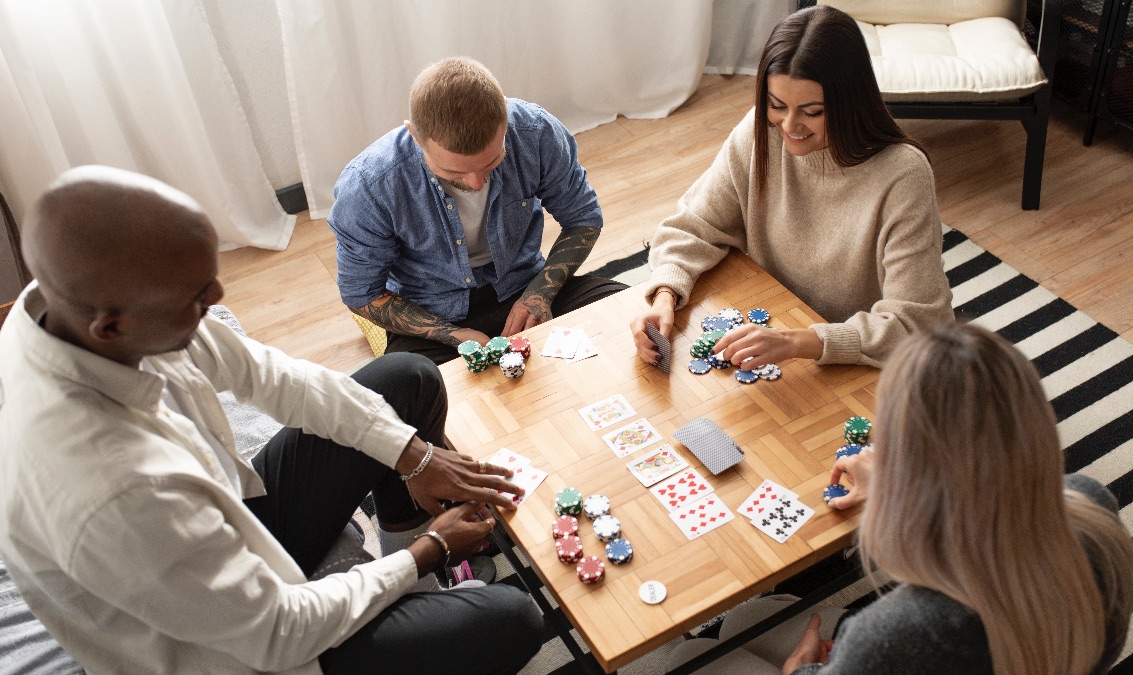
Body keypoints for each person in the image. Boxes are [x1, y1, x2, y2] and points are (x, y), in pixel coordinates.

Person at [0, 166, 545, 675]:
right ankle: (415, 571)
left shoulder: (65, 305)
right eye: (196, 296)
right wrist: (434, 550)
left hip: (225, 526)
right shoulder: (108, 491)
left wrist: (414, 455)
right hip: (238, 652)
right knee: (513, 619)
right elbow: (280, 631)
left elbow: (274, 378)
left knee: (406, 377)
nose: (217, 299)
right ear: (109, 328)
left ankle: (411, 576)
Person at [669, 323, 1133, 675]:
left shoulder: (895, 636)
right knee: (750, 617)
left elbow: (893, 648)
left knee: (692, 654)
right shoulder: (1092, 504)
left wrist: (802, 670)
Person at [631, 6, 953, 370]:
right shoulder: (760, 132)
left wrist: (803, 340)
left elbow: (918, 325)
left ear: (849, 102)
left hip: (860, 362)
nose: (789, 125)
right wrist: (664, 294)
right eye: (776, 105)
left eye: (812, 111)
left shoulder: (903, 175)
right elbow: (694, 224)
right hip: (774, 332)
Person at [329, 56, 626, 365]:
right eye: (454, 172)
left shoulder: (535, 132)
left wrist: (539, 294)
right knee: (409, 386)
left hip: (524, 282)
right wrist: (451, 335)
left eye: (493, 161)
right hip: (430, 312)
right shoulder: (369, 187)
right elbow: (362, 293)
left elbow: (583, 218)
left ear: (505, 121)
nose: (476, 181)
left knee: (625, 313)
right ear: (415, 136)